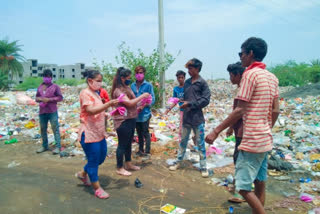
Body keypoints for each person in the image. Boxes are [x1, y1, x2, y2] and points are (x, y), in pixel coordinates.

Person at [205, 37, 280, 214]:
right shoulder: (272, 77)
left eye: (242, 53)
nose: (241, 58)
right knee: (260, 182)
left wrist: (216, 131)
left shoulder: (250, 74)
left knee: (243, 187)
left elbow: (240, 110)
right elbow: (275, 109)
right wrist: (267, 126)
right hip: (265, 139)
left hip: (251, 139)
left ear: (250, 53)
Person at [75, 70, 118, 199]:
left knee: (101, 157)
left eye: (101, 80)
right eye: (98, 81)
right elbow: (90, 110)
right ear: (90, 81)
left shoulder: (96, 94)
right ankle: (97, 188)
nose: (100, 83)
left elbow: (98, 111)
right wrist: (108, 104)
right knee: (93, 161)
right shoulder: (85, 93)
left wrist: (108, 113)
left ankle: (83, 173)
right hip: (88, 133)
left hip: (99, 132)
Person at [169, 58, 211, 178]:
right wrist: (179, 101)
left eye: (190, 68)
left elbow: (205, 100)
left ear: (197, 69)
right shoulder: (187, 83)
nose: (188, 71)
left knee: (200, 143)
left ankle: (203, 166)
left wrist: (190, 104)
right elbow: (184, 97)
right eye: (188, 69)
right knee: (183, 141)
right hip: (186, 118)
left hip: (197, 119)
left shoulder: (202, 83)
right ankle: (178, 161)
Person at [112, 67, 150, 176]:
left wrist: (141, 103)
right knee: (122, 145)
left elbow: (133, 102)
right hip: (122, 121)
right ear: (122, 78)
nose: (129, 80)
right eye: (128, 78)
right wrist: (142, 96)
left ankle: (128, 163)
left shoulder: (127, 88)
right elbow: (129, 103)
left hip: (131, 118)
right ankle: (119, 167)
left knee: (128, 143)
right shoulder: (118, 91)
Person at [225, 62, 246, 203]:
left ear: (237, 75)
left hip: (242, 131)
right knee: (240, 160)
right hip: (243, 130)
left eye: (231, 75)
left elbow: (237, 112)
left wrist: (229, 127)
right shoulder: (242, 88)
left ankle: (241, 193)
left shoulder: (243, 90)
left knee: (240, 160)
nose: (230, 78)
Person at [36, 69, 63, 155]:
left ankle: (58, 147)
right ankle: (44, 146)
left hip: (52, 111)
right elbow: (36, 98)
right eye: (45, 77)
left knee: (55, 128)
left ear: (51, 77)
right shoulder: (40, 87)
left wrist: (49, 99)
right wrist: (40, 99)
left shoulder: (55, 87)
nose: (46, 78)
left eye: (48, 77)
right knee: (43, 129)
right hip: (42, 111)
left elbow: (60, 98)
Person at [131, 66, 155, 157]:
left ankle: (147, 151)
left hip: (145, 114)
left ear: (144, 74)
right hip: (135, 114)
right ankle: (140, 150)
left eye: (141, 73)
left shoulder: (148, 85)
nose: (139, 75)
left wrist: (143, 106)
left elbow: (152, 99)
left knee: (145, 132)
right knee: (139, 133)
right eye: (137, 73)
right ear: (135, 74)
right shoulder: (132, 85)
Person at [165, 70, 186, 141]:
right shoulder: (176, 89)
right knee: (181, 126)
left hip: (190, 110)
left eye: (182, 77)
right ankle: (181, 140)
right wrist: (168, 109)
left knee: (192, 126)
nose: (180, 79)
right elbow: (174, 101)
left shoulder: (188, 87)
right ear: (177, 78)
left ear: (184, 78)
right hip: (182, 110)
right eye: (179, 77)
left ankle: (194, 139)